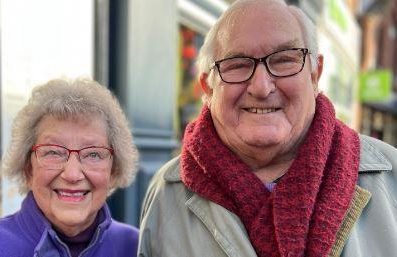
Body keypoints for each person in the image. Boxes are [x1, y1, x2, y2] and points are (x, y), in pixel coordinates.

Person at [138, 0, 397, 257]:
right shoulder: (167, 192)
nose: (261, 87)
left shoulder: (391, 177)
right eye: (237, 64)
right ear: (208, 87)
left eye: (284, 60)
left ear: (315, 74)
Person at [0, 78, 139, 257]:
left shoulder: (136, 247)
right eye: (53, 152)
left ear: (113, 171)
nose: (72, 174)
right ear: (28, 168)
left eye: (93, 154)